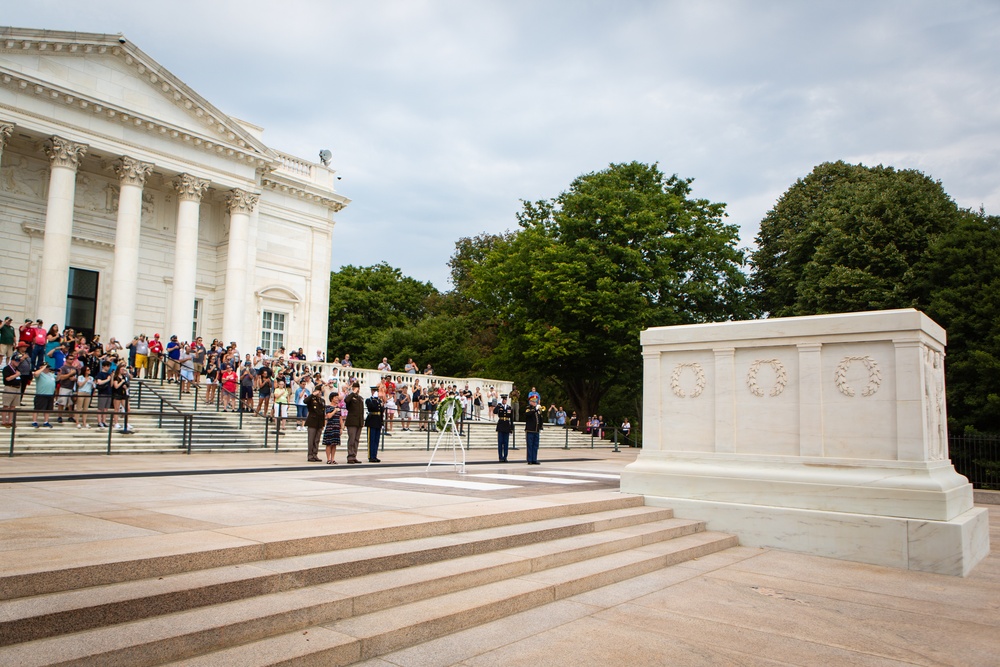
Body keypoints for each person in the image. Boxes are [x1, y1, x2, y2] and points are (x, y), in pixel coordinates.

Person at [303, 386, 326, 462]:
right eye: (318, 392)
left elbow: (323, 413)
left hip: (319, 422)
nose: (320, 393)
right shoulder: (312, 399)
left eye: (320, 392)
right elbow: (305, 401)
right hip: (312, 422)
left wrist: (323, 423)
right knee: (311, 440)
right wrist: (312, 395)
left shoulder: (322, 400)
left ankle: (315, 454)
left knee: (317, 440)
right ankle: (310, 455)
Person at [343, 381, 364, 464]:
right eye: (355, 388)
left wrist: (361, 422)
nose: (357, 390)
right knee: (351, 439)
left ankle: (354, 455)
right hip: (352, 421)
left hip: (358, 422)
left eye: (358, 388)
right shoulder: (350, 397)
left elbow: (361, 411)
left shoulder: (360, 398)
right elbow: (346, 401)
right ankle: (350, 456)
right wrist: (352, 393)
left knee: (356, 440)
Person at [31, 363, 56, 428]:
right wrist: (42, 368)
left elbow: (58, 379)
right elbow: (35, 374)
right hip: (41, 394)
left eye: (48, 367)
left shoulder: (51, 375)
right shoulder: (40, 374)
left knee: (48, 409)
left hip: (50, 394)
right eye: (46, 367)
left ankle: (46, 421)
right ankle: (34, 421)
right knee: (37, 408)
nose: (47, 368)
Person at [322, 391, 343, 464]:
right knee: (329, 443)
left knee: (334, 444)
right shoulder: (328, 407)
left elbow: (340, 418)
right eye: (335, 398)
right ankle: (328, 459)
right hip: (330, 427)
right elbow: (328, 416)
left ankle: (333, 458)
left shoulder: (338, 408)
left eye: (337, 397)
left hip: (336, 427)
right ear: (332, 398)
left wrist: (341, 428)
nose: (337, 399)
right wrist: (334, 410)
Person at [364, 385, 384, 463]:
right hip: (372, 421)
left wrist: (382, 423)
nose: (376, 392)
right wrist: (375, 399)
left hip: (378, 421)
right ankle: (370, 456)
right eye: (374, 391)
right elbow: (372, 407)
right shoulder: (369, 400)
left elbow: (381, 411)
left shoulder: (379, 401)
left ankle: (374, 455)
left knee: (376, 440)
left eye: (376, 391)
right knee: (371, 440)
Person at [523, 395, 543, 465]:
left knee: (535, 445)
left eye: (536, 402)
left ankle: (534, 459)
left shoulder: (538, 410)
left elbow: (540, 419)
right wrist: (535, 410)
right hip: (530, 430)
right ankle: (529, 460)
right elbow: (527, 414)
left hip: (536, 430)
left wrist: (541, 427)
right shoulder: (528, 408)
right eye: (533, 402)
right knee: (530, 445)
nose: (535, 403)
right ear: (530, 402)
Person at [94, 360, 113, 428]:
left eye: (109, 366)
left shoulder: (108, 374)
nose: (108, 368)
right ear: (103, 366)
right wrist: (107, 379)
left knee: (106, 408)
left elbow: (111, 384)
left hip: (108, 392)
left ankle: (104, 421)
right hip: (102, 392)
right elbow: (99, 382)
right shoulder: (100, 374)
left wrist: (112, 377)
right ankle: (99, 421)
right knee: (100, 408)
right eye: (107, 366)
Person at [494, 393, 513, 462]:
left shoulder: (509, 407)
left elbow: (511, 418)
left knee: (506, 443)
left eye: (505, 399)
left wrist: (511, 428)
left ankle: (505, 457)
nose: (504, 400)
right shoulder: (499, 407)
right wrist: (498, 405)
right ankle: (500, 457)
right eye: (503, 399)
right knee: (500, 442)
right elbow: (494, 411)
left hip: (507, 425)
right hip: (501, 425)